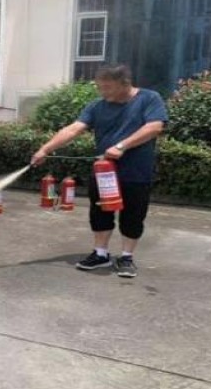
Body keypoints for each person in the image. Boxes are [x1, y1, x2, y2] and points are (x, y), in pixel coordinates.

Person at [31, 65, 168, 278]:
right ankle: (100, 253)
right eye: (99, 87)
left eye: (107, 87)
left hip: (136, 171)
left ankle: (126, 257)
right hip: (104, 172)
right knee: (100, 213)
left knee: (133, 215)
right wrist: (45, 149)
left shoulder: (149, 98)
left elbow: (154, 127)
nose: (102, 92)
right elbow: (73, 129)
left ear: (124, 84)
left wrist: (121, 146)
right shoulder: (97, 106)